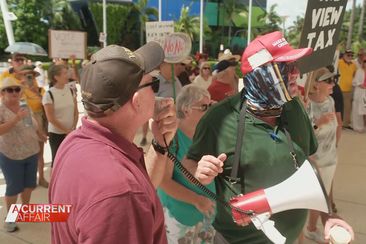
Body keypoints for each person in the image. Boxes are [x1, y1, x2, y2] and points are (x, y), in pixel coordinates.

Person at [178, 31, 354, 243]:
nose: (296, 73)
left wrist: (328, 216)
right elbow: (189, 163)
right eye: (286, 68)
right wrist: (200, 172)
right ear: (261, 75)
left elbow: (309, 165)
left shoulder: (294, 108)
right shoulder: (219, 118)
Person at [49, 42, 177, 243]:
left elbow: (140, 190)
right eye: (153, 84)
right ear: (136, 101)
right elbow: (126, 194)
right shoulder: (121, 192)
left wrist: (160, 144)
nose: (157, 93)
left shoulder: (73, 141)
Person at [157, 85, 216, 243]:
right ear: (186, 110)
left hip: (206, 216)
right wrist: (197, 200)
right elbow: (163, 181)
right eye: (204, 106)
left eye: (211, 105)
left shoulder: (206, 133)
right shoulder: (172, 137)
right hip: (180, 217)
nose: (210, 109)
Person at [0, 77, 45, 232]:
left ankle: (25, 210)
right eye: (9, 89)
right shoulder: (0, 109)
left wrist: (41, 133)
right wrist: (16, 118)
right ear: (2, 93)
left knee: (29, 186)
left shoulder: (24, 104)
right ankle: (10, 219)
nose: (14, 92)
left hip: (31, 151)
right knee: (13, 188)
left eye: (17, 89)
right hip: (11, 155)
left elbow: (31, 122)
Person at [304, 68, 340, 243]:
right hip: (315, 162)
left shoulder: (330, 101)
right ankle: (310, 228)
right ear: (316, 84)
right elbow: (303, 136)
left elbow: (336, 127)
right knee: (317, 199)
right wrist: (318, 124)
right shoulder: (307, 105)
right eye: (328, 81)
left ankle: (311, 228)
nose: (333, 84)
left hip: (330, 158)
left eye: (332, 80)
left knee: (322, 197)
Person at [14, 65, 49, 187]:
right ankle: (28, 180)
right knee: (25, 153)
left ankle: (41, 178)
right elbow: (14, 104)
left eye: (31, 75)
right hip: (23, 123)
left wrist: (36, 92)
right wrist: (21, 89)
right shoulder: (17, 90)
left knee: (40, 153)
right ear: (21, 76)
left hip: (38, 122)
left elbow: (47, 104)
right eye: (26, 75)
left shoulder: (40, 90)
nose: (29, 77)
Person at [42, 64, 78, 167]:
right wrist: (67, 131)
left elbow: (75, 111)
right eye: (65, 73)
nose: (68, 75)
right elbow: (51, 119)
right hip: (56, 134)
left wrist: (73, 128)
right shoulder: (49, 94)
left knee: (71, 162)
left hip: (71, 132)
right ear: (56, 77)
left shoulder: (71, 90)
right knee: (57, 162)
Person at [338, 49, 357, 128]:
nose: (350, 57)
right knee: (338, 107)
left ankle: (345, 124)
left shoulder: (353, 65)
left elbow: (355, 76)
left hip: (348, 90)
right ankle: (338, 123)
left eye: (351, 55)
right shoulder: (339, 62)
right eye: (348, 55)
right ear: (344, 55)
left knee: (347, 107)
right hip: (339, 88)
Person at [351, 58, 366, 132]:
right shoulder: (359, 71)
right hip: (359, 92)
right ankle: (358, 127)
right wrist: (360, 85)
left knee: (364, 110)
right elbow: (354, 81)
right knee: (357, 109)